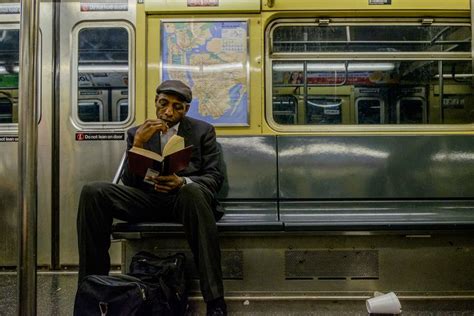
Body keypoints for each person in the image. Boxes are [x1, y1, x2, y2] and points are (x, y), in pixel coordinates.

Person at [77, 80, 227, 316]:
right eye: (163, 104)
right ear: (155, 102)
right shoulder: (138, 133)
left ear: (186, 109)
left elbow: (214, 177)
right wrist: (137, 145)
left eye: (177, 107)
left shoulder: (202, 131)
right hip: (147, 198)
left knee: (192, 191)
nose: (168, 112)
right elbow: (131, 182)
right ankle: (93, 289)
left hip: (184, 200)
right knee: (92, 192)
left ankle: (215, 301)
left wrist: (183, 181)